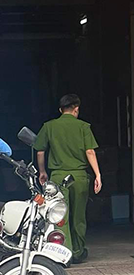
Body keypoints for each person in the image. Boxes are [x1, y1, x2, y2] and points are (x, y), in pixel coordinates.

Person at [33, 94, 102, 264]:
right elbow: (90, 151)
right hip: (78, 177)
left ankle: (63, 253)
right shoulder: (83, 127)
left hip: (57, 177)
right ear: (76, 108)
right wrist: (98, 174)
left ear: (60, 110)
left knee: (59, 216)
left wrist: (42, 171)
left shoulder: (49, 126)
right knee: (78, 216)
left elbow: (40, 151)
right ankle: (78, 252)